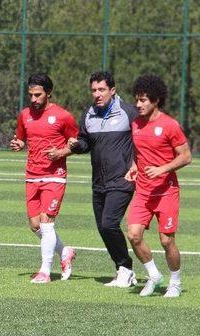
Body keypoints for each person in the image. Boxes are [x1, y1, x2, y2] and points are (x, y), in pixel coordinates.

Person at [67, 71, 138, 287]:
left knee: (109, 224)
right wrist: (77, 145)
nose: (97, 94)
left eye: (102, 90)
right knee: (102, 226)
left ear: (112, 90)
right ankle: (123, 269)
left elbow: (142, 140)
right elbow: (85, 141)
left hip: (122, 179)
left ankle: (125, 267)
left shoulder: (129, 112)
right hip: (98, 181)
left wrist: (136, 164)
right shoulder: (89, 114)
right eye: (94, 90)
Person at [124, 74, 191, 298]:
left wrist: (163, 169)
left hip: (166, 192)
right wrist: (134, 166)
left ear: (156, 100)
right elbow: (139, 152)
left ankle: (175, 282)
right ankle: (154, 276)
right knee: (133, 235)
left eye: (143, 100)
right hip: (143, 191)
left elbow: (186, 156)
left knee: (166, 240)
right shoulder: (135, 123)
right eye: (137, 100)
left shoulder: (170, 125)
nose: (138, 104)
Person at [9, 73, 79, 284]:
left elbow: (77, 143)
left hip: (54, 176)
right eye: (30, 95)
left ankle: (45, 272)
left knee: (46, 223)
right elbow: (20, 139)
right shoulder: (24, 115)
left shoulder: (63, 116)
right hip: (32, 175)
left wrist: (61, 153)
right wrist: (18, 145)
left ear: (48, 93)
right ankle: (65, 251)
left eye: (38, 95)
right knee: (34, 224)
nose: (33, 99)